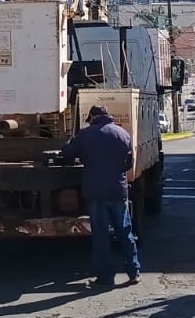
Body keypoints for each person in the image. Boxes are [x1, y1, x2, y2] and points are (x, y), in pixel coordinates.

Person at [60, 105, 140, 288]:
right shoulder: (122, 134)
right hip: (117, 191)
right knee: (125, 232)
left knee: (101, 236)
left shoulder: (86, 135)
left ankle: (106, 277)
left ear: (93, 117)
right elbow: (128, 163)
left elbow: (68, 153)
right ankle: (134, 271)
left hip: (95, 192)